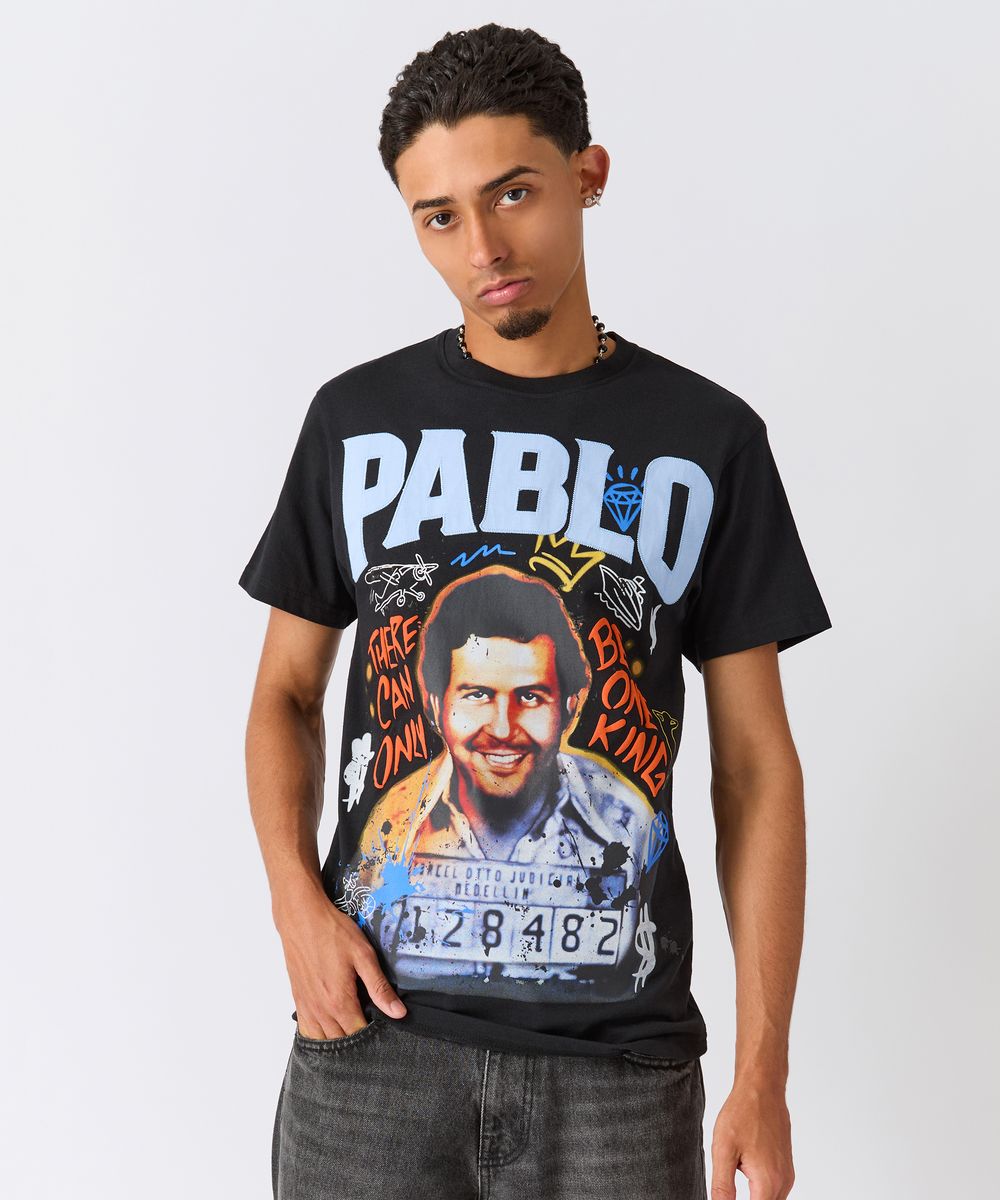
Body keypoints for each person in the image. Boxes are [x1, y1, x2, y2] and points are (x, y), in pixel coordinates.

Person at [239, 23, 832, 1200]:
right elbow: (285, 695)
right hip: (373, 1049)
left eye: (513, 193)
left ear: (587, 175)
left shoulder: (706, 440)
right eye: (439, 216)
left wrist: (762, 1068)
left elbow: (757, 765)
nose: (484, 248)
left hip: (616, 1075)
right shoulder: (355, 423)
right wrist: (295, 909)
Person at [342, 565, 656, 1002]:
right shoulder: (392, 824)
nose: (504, 729)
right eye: (477, 695)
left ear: (570, 705)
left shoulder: (626, 823)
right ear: (434, 704)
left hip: (608, 1044)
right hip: (390, 1031)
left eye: (531, 696)